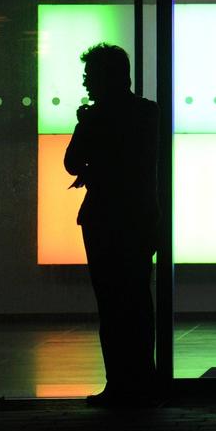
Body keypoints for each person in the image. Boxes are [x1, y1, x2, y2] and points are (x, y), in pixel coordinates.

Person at [64, 44, 158, 407]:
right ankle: (145, 378)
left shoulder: (95, 117)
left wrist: (84, 124)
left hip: (103, 218)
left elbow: (72, 162)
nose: (86, 82)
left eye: (90, 75)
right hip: (140, 217)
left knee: (111, 304)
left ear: (105, 78)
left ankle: (118, 382)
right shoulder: (149, 113)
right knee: (138, 299)